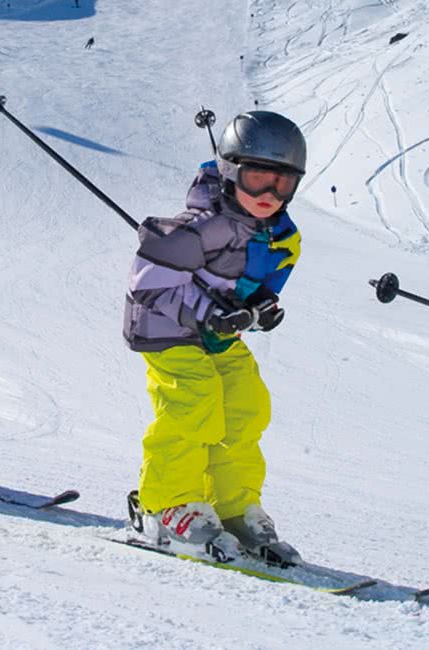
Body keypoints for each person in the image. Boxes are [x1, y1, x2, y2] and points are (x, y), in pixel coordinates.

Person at [123, 111, 307, 567]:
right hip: (166, 329)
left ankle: (232, 506)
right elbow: (147, 284)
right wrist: (209, 313)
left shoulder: (278, 235)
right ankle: (167, 505)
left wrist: (259, 307)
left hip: (216, 337)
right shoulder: (200, 226)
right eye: (257, 178)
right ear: (229, 170)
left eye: (282, 184)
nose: (268, 195)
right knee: (195, 401)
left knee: (247, 404)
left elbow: (251, 287)